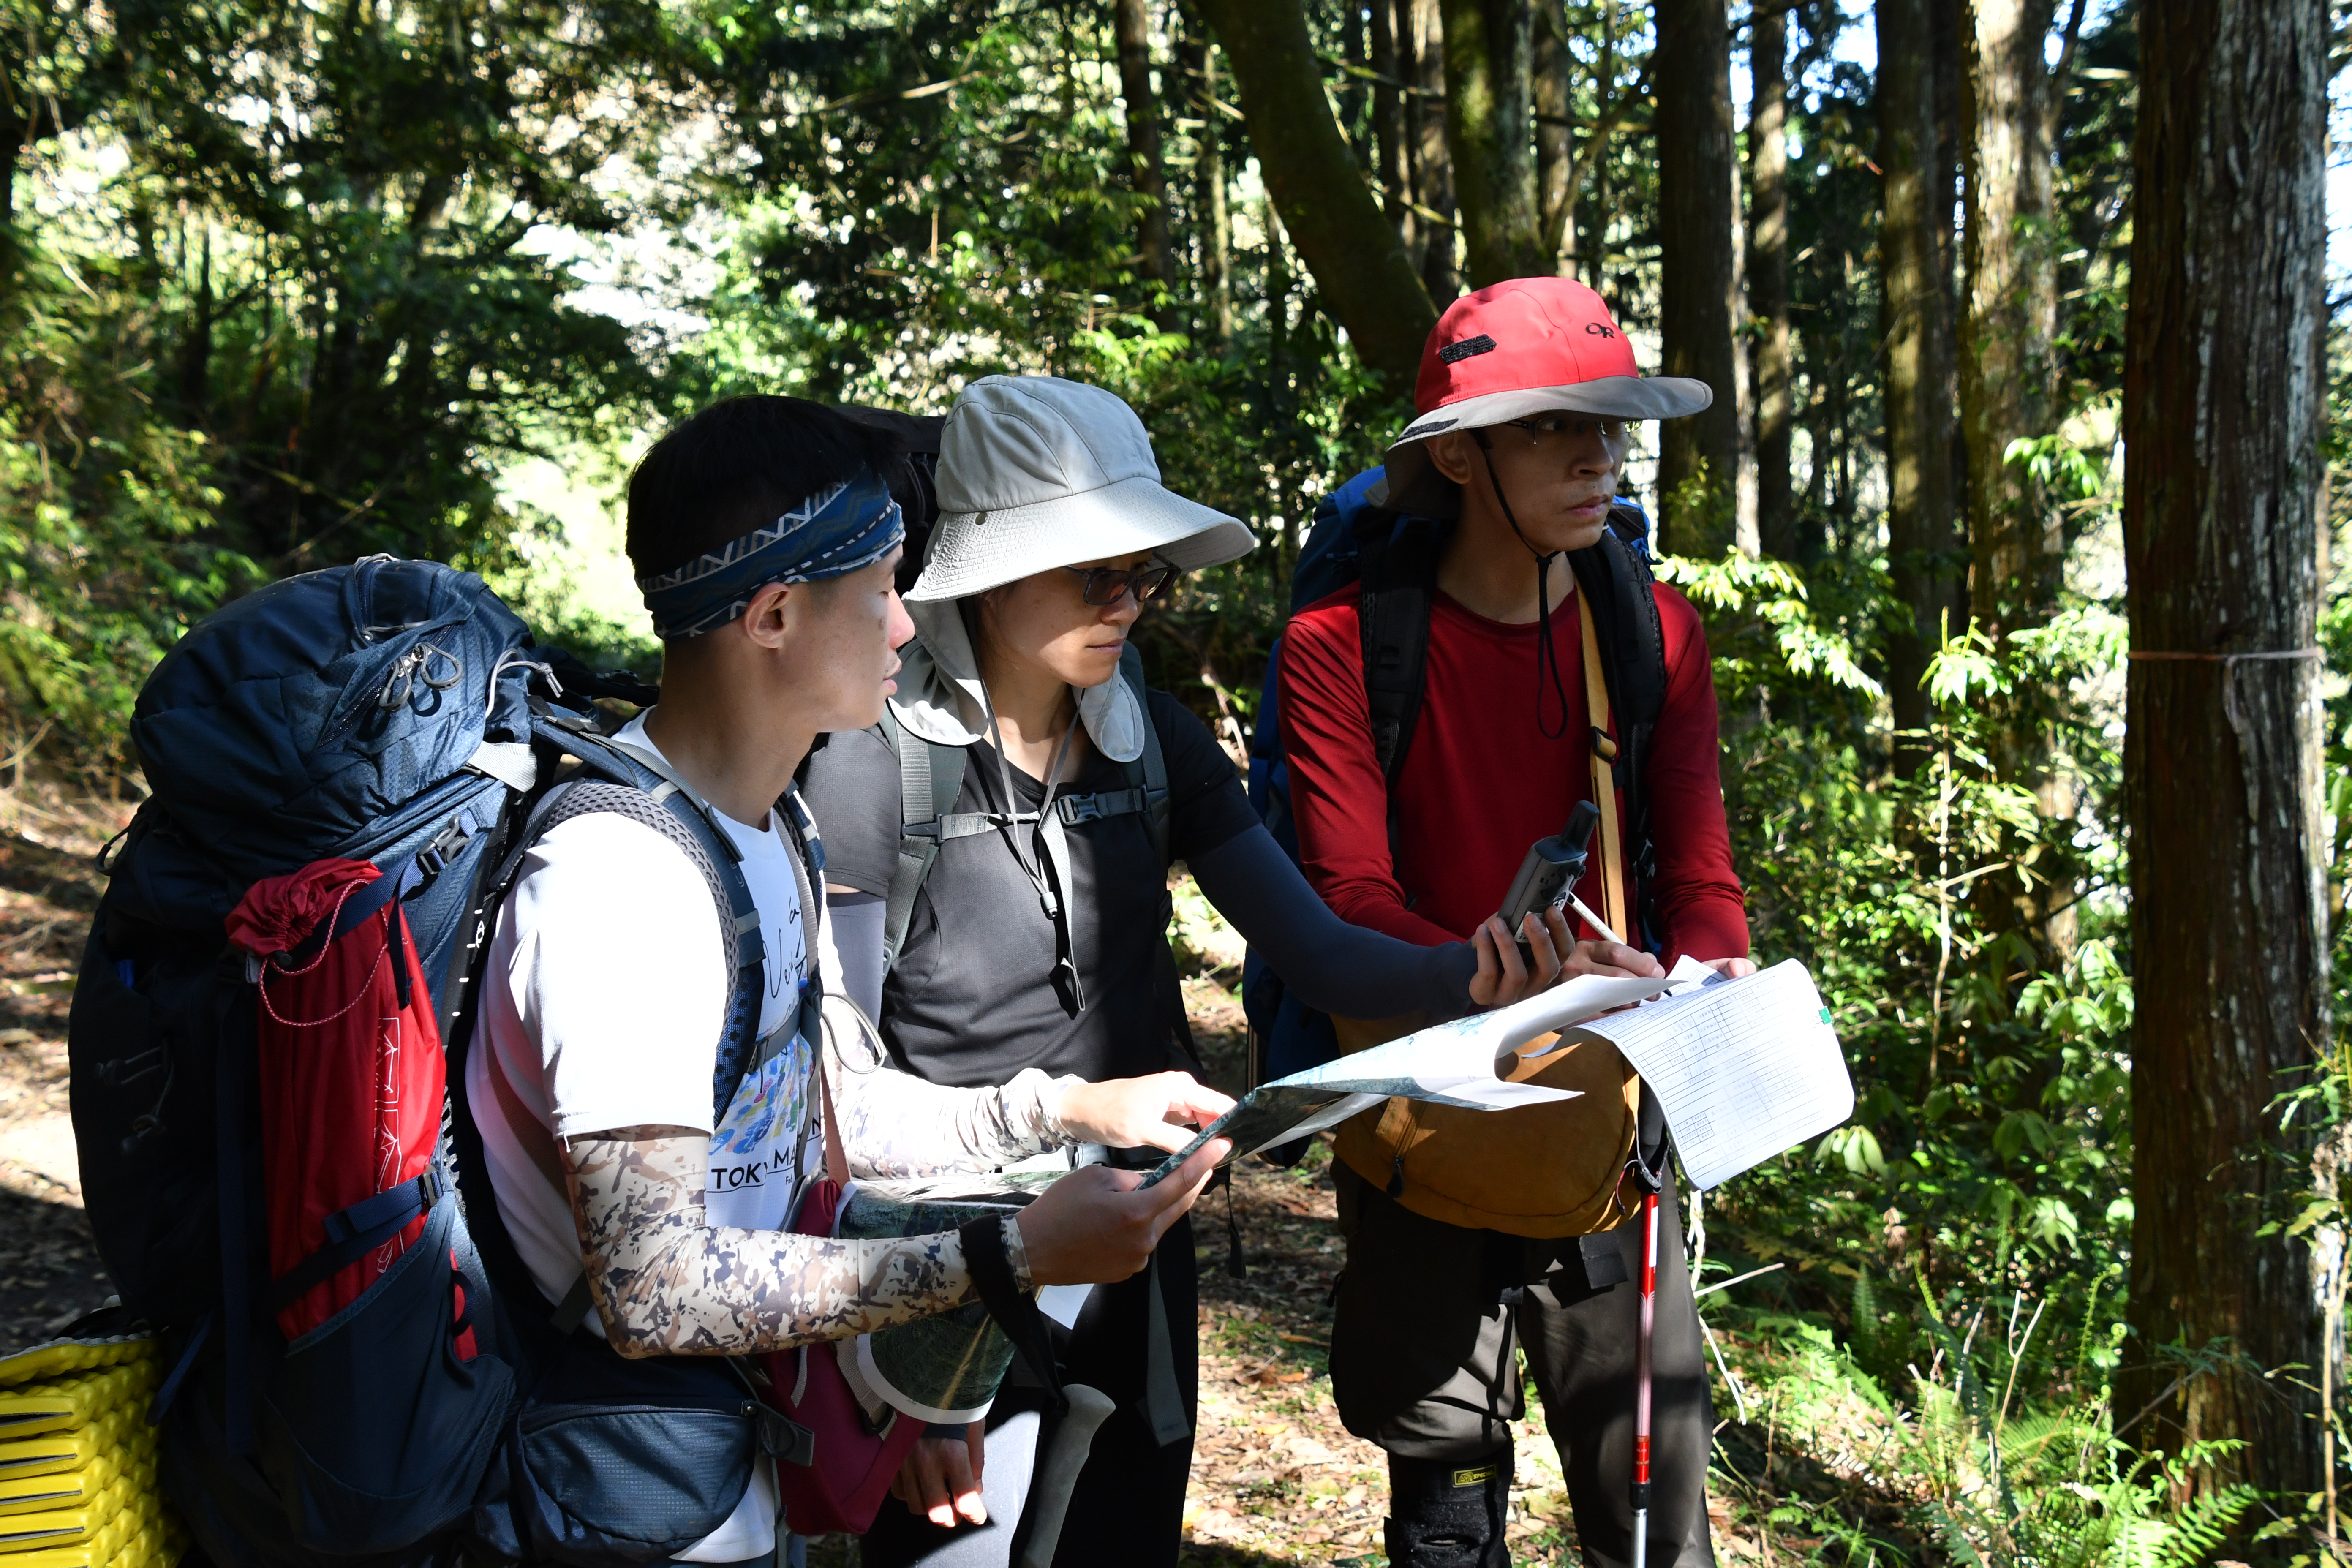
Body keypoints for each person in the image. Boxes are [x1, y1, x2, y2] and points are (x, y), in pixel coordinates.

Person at [803, 374, 1577, 1568]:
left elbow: (1316, 947)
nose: (1130, 604)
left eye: (1144, 573)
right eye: (1094, 572)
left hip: (1134, 1232)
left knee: (1125, 1532)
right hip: (954, 1247)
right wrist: (901, 1374)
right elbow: (835, 1092)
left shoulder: (1151, 735)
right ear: (990, 567)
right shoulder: (868, 765)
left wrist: (1491, 973)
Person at [461, 394, 1235, 1568]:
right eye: (881, 591)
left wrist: (1064, 1111)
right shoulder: (621, 881)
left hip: (723, 1477)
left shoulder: (767, 835)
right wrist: (1012, 1256)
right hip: (606, 1501)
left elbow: (815, 1117)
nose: (907, 626)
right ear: (773, 614)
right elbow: (656, 1286)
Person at [1275, 278, 1756, 1568]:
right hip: (1423, 1125)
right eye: (1554, 428)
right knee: (1444, 1506)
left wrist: (1709, 984)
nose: (1599, 456)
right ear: (1460, 455)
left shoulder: (1652, 633)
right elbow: (1348, 897)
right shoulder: (1340, 645)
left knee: (1650, 1524)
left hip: (1607, 1144)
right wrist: (1481, 973)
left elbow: (1701, 876)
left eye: (1611, 427)